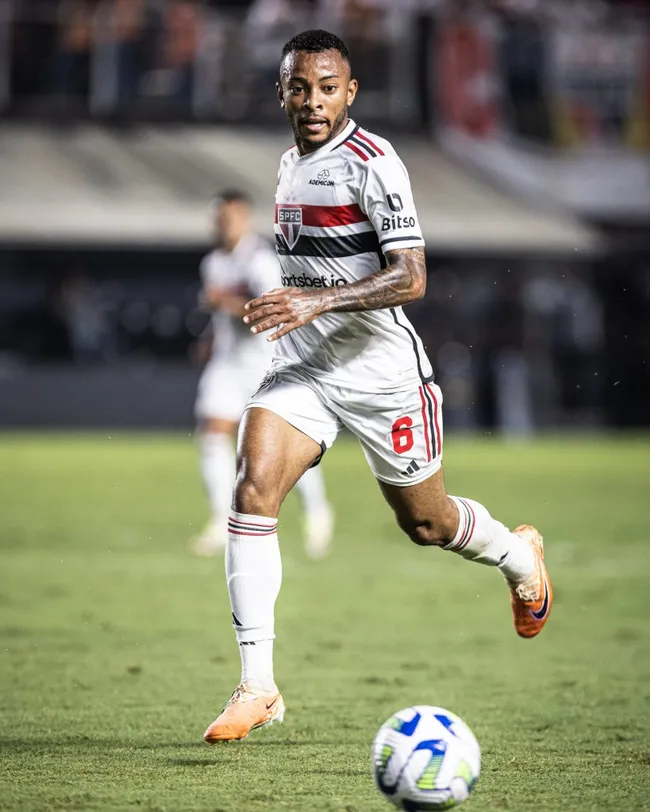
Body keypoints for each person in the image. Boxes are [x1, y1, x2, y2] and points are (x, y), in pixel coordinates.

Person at [203, 30, 553, 744]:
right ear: (281, 92)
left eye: (328, 87)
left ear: (350, 92)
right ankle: (257, 686)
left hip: (382, 375)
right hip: (304, 366)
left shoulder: (374, 162)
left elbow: (412, 276)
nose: (312, 101)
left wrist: (314, 301)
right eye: (299, 87)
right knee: (252, 490)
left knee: (426, 525)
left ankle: (520, 557)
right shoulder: (286, 165)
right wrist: (298, 305)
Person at [193, 189, 334, 559]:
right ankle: (220, 520)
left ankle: (317, 511)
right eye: (220, 218)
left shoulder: (260, 261)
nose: (224, 224)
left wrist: (223, 302)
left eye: (231, 217)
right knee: (212, 434)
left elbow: (272, 312)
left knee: (280, 450)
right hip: (226, 363)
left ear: (244, 217)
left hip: (264, 363)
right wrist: (209, 337)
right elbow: (221, 314)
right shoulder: (212, 262)